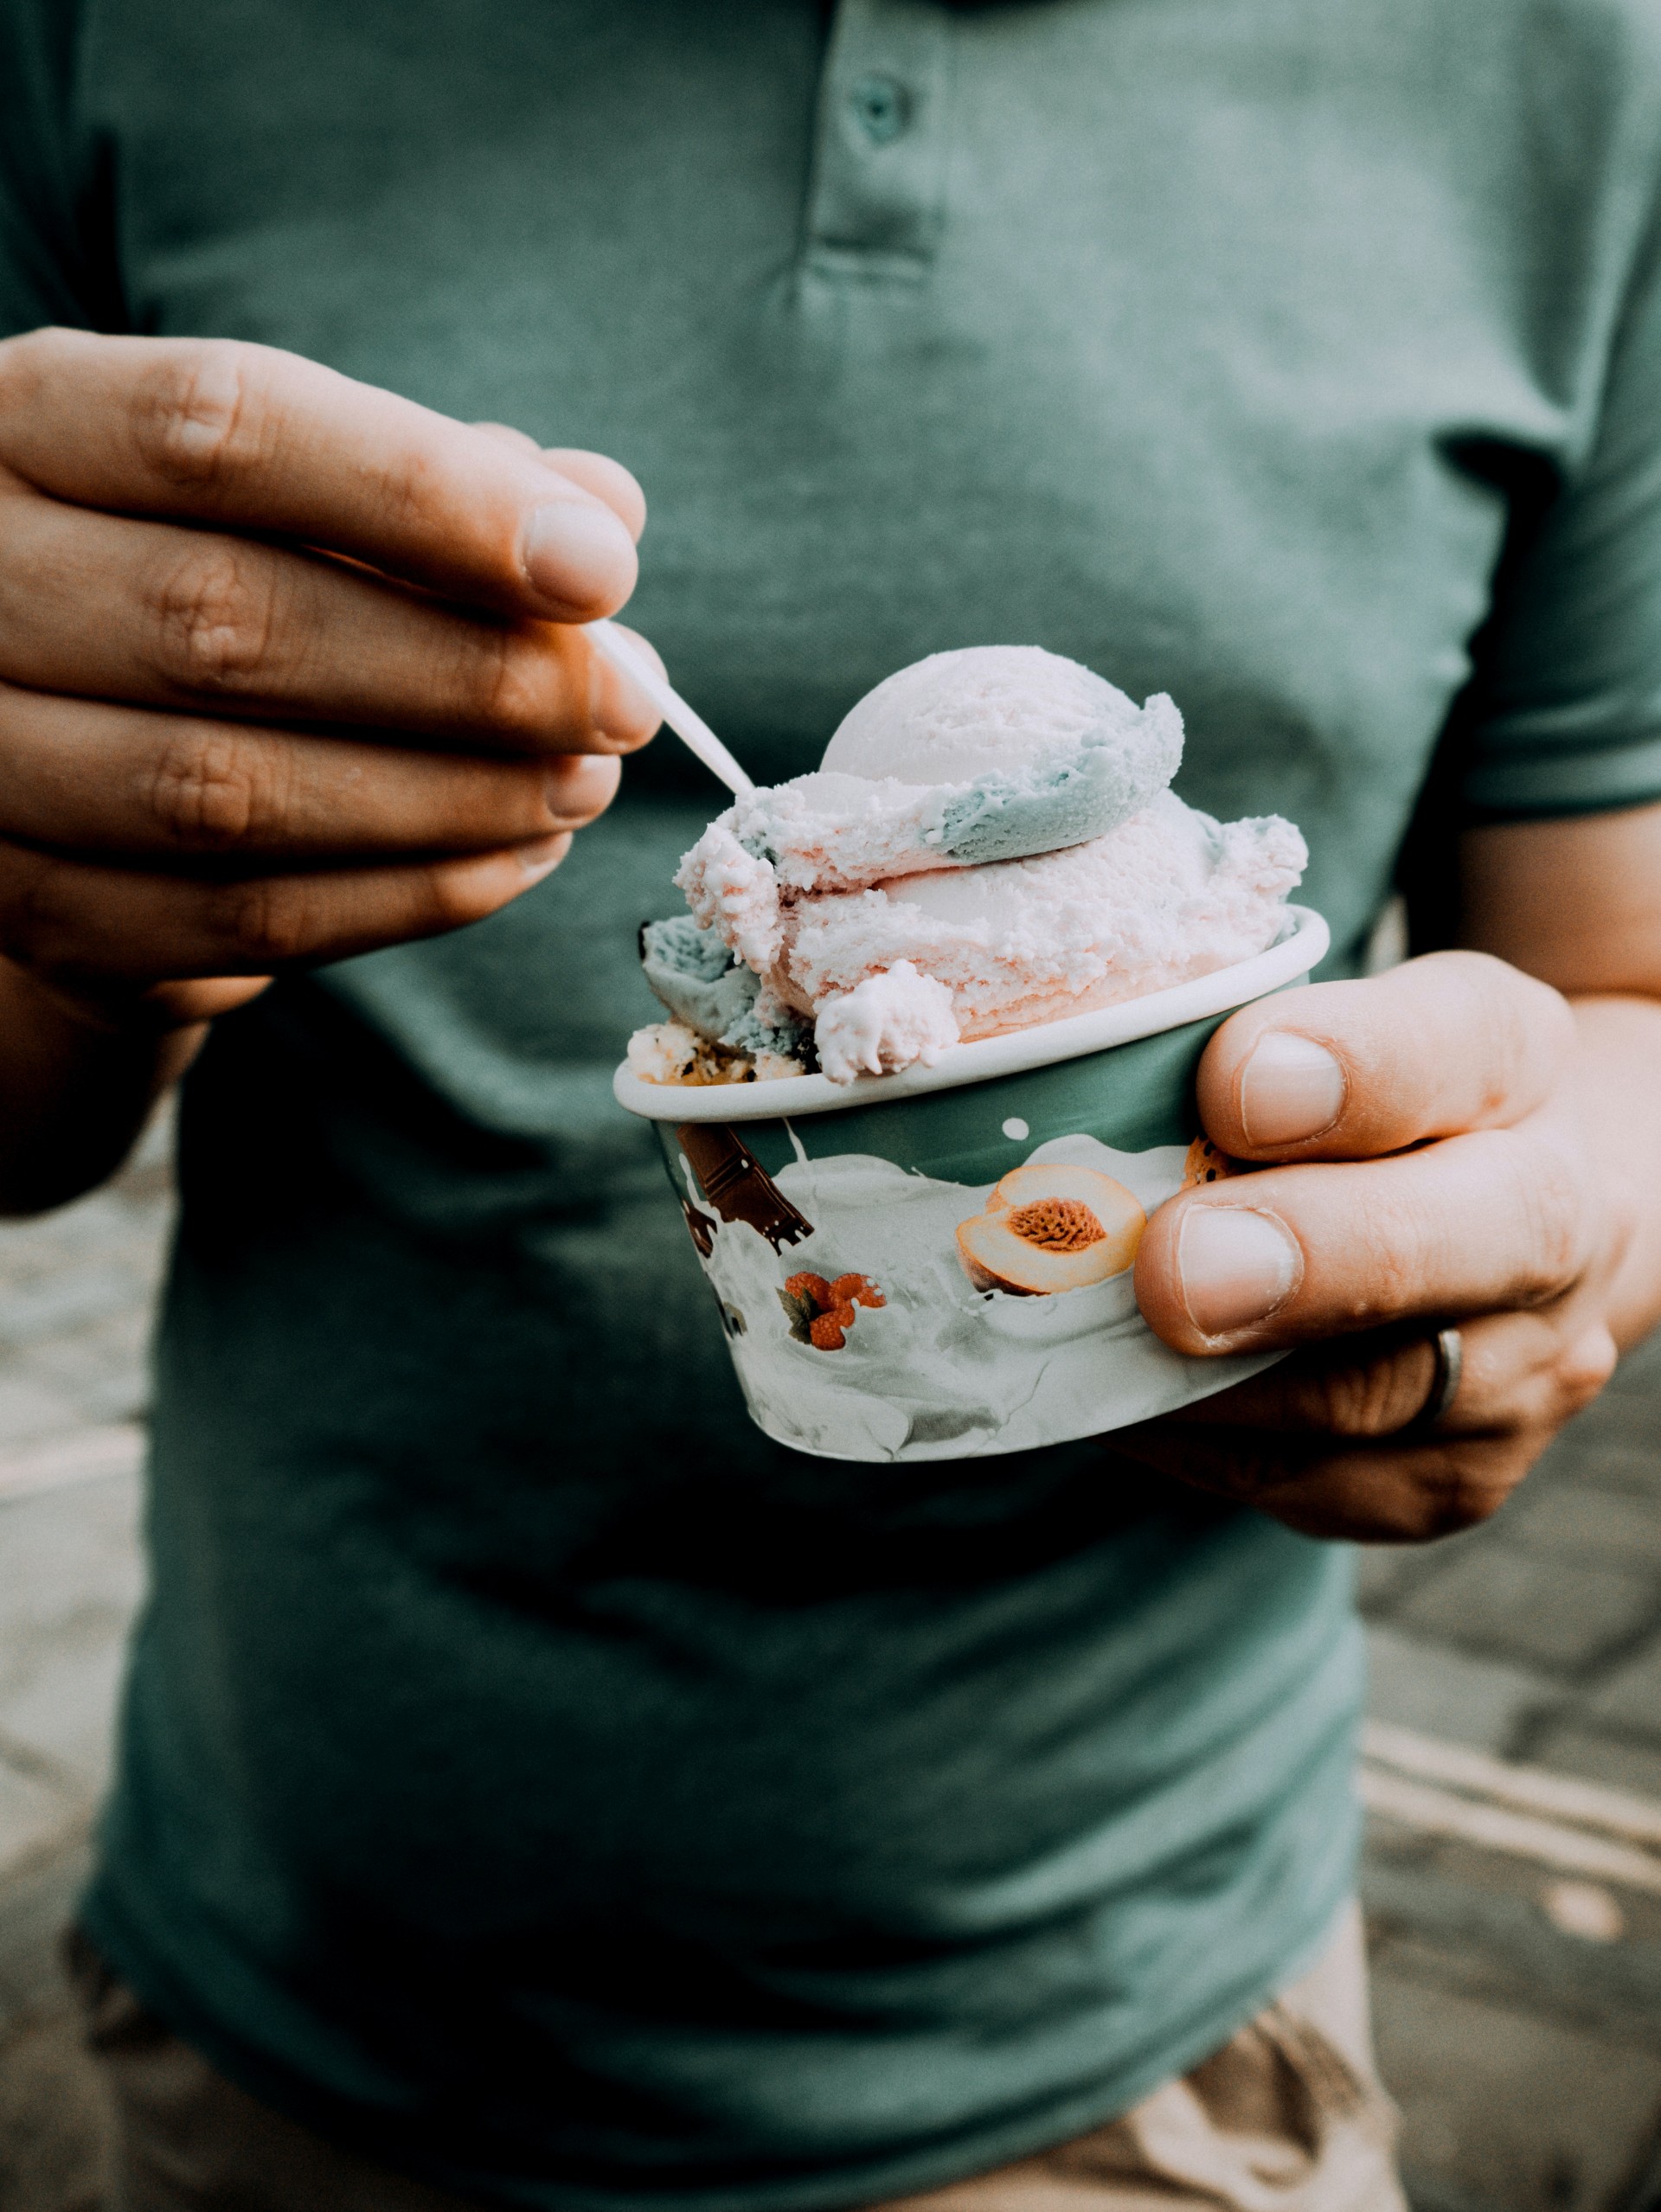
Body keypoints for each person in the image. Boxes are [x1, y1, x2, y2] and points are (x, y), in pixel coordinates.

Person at [3, 3, 1661, 2208]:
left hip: (1135, 2034)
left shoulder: (1576, 62)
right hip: (278, 1986)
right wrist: (61, 908)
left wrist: (1567, 1213)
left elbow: (1620, 969)